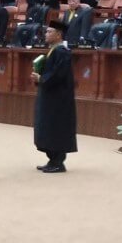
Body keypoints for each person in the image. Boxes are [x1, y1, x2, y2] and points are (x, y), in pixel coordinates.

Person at [31, 20, 77, 173]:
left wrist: (41, 78)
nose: (46, 34)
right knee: (46, 126)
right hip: (50, 96)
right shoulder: (53, 50)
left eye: (49, 31)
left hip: (59, 99)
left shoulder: (62, 52)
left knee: (55, 127)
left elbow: (58, 74)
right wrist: (39, 76)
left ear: (58, 34)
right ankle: (52, 160)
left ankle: (58, 162)